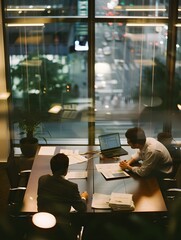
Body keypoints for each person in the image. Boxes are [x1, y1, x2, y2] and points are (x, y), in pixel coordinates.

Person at [37, 153, 88, 239]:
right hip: (62, 230)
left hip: (43, 225)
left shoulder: (42, 179)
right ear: (66, 170)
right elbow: (82, 208)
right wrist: (83, 197)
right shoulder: (71, 187)